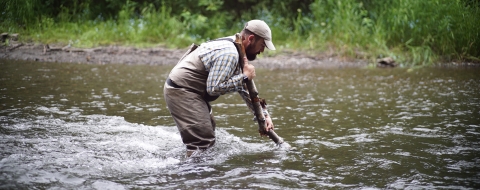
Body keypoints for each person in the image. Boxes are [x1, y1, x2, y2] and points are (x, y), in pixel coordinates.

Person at [163, 20, 276, 157]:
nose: (262, 51)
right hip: (182, 91)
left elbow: (245, 88)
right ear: (251, 39)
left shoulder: (238, 46)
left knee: (207, 131)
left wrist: (264, 116)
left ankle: (194, 164)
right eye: (262, 45)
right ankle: (191, 175)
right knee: (202, 141)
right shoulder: (229, 53)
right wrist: (245, 77)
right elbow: (214, 88)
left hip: (192, 91)